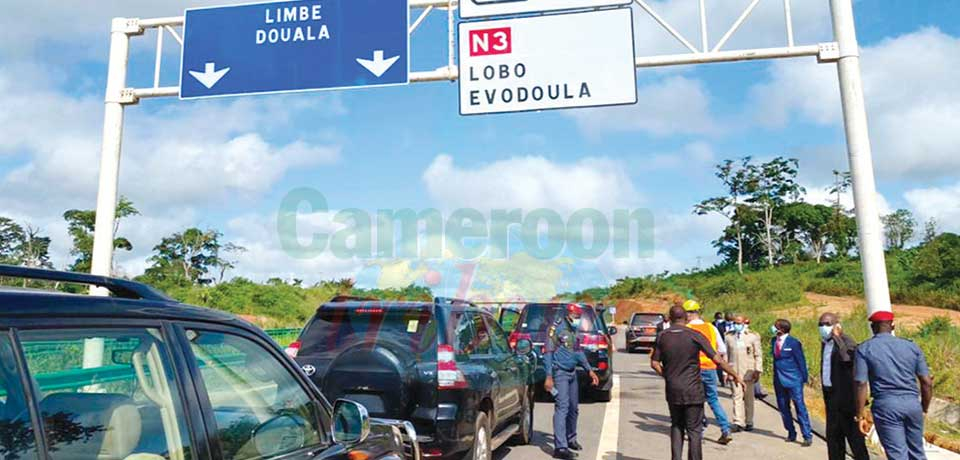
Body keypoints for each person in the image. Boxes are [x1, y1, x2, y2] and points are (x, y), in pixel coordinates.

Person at [652, 306, 744, 460]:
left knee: (676, 426)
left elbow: (654, 363)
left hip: (673, 389)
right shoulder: (695, 335)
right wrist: (735, 375)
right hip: (693, 389)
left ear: (670, 317)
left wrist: (668, 376)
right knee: (694, 430)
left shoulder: (662, 336)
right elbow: (718, 359)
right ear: (686, 318)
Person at [855, 311, 933, 460]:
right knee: (917, 452)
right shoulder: (912, 347)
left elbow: (861, 383)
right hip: (912, 404)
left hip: (886, 406)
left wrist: (860, 415)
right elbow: (927, 382)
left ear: (872, 327)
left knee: (897, 454)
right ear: (893, 326)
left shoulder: (865, 349)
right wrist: (923, 408)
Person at [544, 303, 600, 460]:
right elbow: (548, 353)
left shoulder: (573, 330)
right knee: (562, 408)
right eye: (576, 316)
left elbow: (578, 352)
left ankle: (571, 439)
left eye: (578, 317)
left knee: (574, 408)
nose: (577, 319)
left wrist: (589, 370)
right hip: (559, 373)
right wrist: (549, 376)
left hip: (572, 373)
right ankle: (560, 448)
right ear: (568, 313)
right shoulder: (555, 329)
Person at [819, 312, 870, 460]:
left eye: (827, 324)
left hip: (847, 401)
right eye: (821, 324)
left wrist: (836, 337)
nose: (823, 327)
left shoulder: (847, 341)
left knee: (856, 443)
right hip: (831, 398)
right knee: (834, 441)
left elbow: (848, 359)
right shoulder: (825, 343)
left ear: (837, 325)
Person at [684, 300, 733, 444]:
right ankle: (725, 429)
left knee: (695, 401)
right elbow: (722, 350)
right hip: (710, 368)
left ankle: (698, 430)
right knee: (713, 400)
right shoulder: (711, 327)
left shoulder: (686, 329)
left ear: (688, 314)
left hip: (693, 369)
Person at [772, 318, 814, 446]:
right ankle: (791, 432)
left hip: (794, 379)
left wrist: (804, 378)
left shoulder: (794, 343)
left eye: (776, 326)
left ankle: (807, 435)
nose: (773, 328)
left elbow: (801, 360)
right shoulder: (774, 341)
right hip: (779, 379)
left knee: (799, 406)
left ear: (782, 329)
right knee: (783, 407)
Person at [724, 314, 762, 432]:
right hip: (734, 371)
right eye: (735, 323)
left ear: (744, 323)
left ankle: (749, 421)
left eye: (739, 323)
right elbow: (726, 355)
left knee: (749, 398)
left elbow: (758, 354)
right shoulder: (729, 337)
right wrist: (726, 372)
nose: (737, 325)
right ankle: (738, 422)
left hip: (748, 372)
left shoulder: (752, 336)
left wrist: (758, 370)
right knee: (736, 397)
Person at [745, 317, 770, 400]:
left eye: (747, 323)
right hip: (741, 360)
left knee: (755, 376)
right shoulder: (733, 335)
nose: (746, 325)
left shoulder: (754, 335)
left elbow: (758, 351)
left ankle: (757, 392)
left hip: (752, 359)